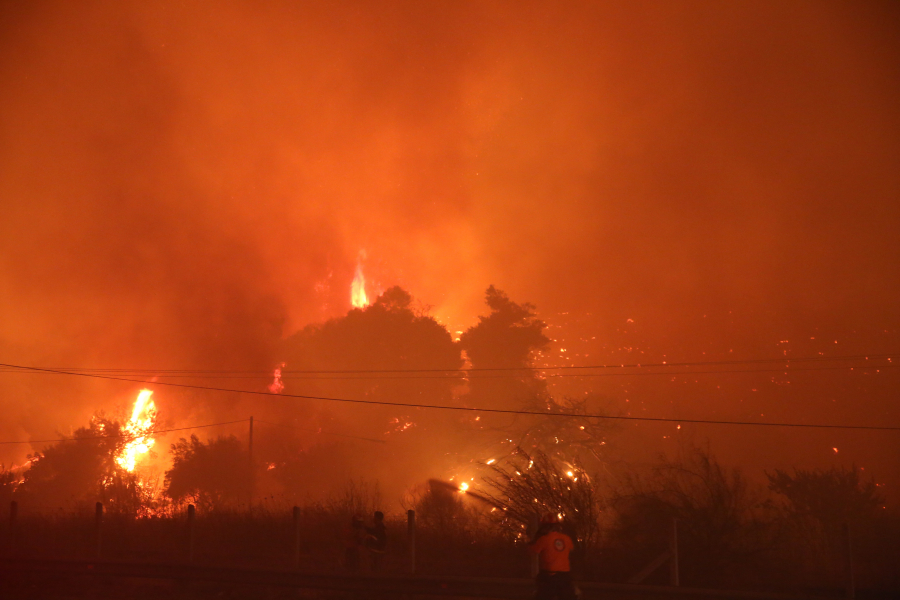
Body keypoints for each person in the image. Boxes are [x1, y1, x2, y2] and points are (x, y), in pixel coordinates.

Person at [527, 512, 577, 600]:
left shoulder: (544, 539)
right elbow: (572, 549)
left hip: (549, 577)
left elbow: (532, 551)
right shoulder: (566, 538)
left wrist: (534, 538)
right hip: (565, 577)